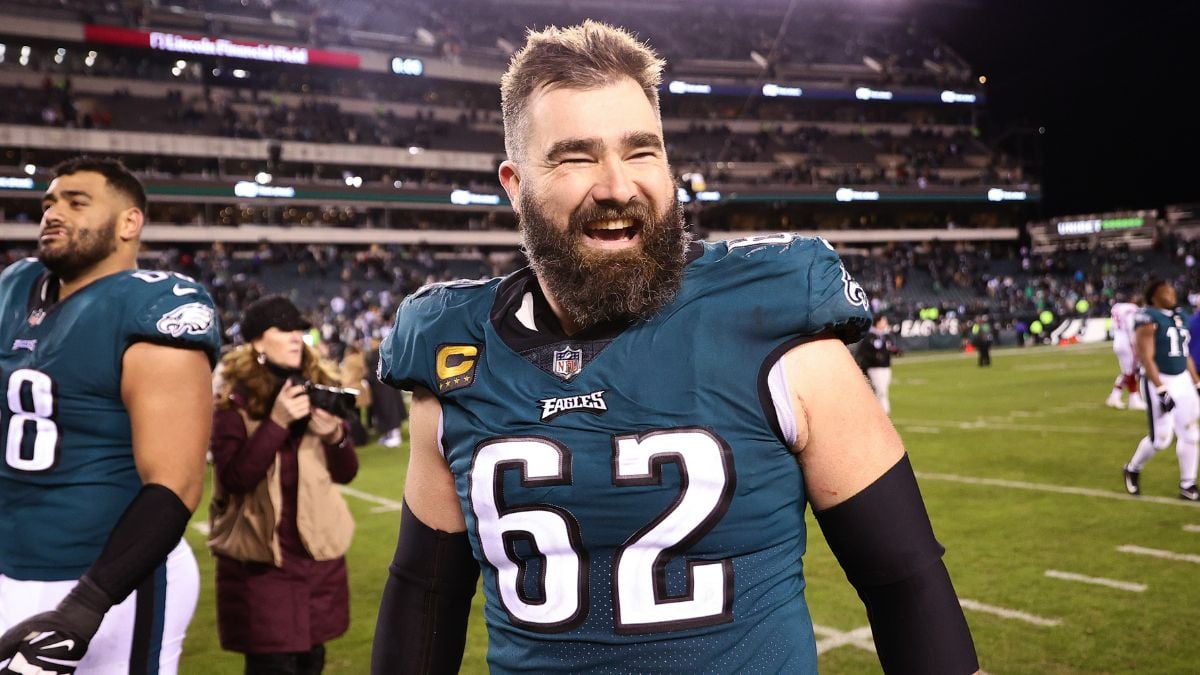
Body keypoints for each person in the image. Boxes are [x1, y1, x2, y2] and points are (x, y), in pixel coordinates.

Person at [371, 22, 977, 674]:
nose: (616, 184)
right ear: (516, 185)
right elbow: (424, 595)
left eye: (641, 151)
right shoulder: (455, 351)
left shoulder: (775, 329)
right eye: (575, 156)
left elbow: (905, 582)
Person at [0, 157, 220, 673]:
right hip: (10, 561)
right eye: (49, 203)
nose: (53, 213)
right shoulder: (14, 286)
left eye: (77, 203)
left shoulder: (156, 305)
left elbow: (175, 484)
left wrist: (86, 606)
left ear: (129, 223)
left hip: (107, 580)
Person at [208, 295, 359, 674]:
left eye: (298, 329)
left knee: (313, 660)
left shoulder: (318, 387)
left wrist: (335, 438)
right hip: (263, 560)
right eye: (283, 329)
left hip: (315, 555)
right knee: (272, 663)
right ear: (257, 341)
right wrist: (276, 423)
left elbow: (346, 472)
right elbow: (234, 478)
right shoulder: (234, 400)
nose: (295, 337)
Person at [1122, 280, 1200, 501]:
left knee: (1191, 433)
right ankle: (1133, 468)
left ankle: (1188, 485)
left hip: (1183, 379)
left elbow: (1184, 354)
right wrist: (1161, 389)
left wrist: (1196, 383)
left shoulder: (1180, 315)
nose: (1172, 294)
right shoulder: (1147, 317)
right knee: (1161, 440)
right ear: (1154, 295)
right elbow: (1146, 357)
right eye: (1166, 291)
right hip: (1160, 378)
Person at [855, 313, 901, 414]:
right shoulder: (870, 336)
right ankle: (883, 414)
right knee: (881, 392)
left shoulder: (886, 336)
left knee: (882, 391)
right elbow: (862, 352)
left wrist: (896, 351)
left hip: (886, 367)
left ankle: (877, 413)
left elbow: (890, 348)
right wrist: (874, 358)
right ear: (878, 322)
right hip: (874, 368)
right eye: (883, 320)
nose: (886, 322)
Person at [1107, 293, 1146, 410]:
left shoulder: (1117, 307)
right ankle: (1134, 399)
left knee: (1128, 371)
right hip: (1127, 342)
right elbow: (1131, 327)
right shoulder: (1132, 310)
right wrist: (1137, 344)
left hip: (1117, 341)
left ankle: (1114, 396)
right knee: (1132, 372)